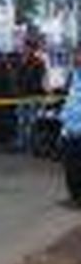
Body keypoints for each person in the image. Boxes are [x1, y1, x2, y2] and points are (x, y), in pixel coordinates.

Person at [15, 38, 47, 154]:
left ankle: (30, 145)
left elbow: (41, 79)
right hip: (22, 96)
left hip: (33, 96)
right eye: (24, 48)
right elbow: (17, 77)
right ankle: (22, 144)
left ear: (32, 49)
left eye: (27, 48)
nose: (25, 50)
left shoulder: (38, 62)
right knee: (21, 121)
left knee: (31, 122)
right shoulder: (21, 62)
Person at [58, 46, 81, 205]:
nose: (76, 58)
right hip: (69, 129)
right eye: (76, 55)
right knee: (70, 167)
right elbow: (71, 100)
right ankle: (74, 196)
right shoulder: (75, 76)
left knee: (77, 167)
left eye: (78, 55)